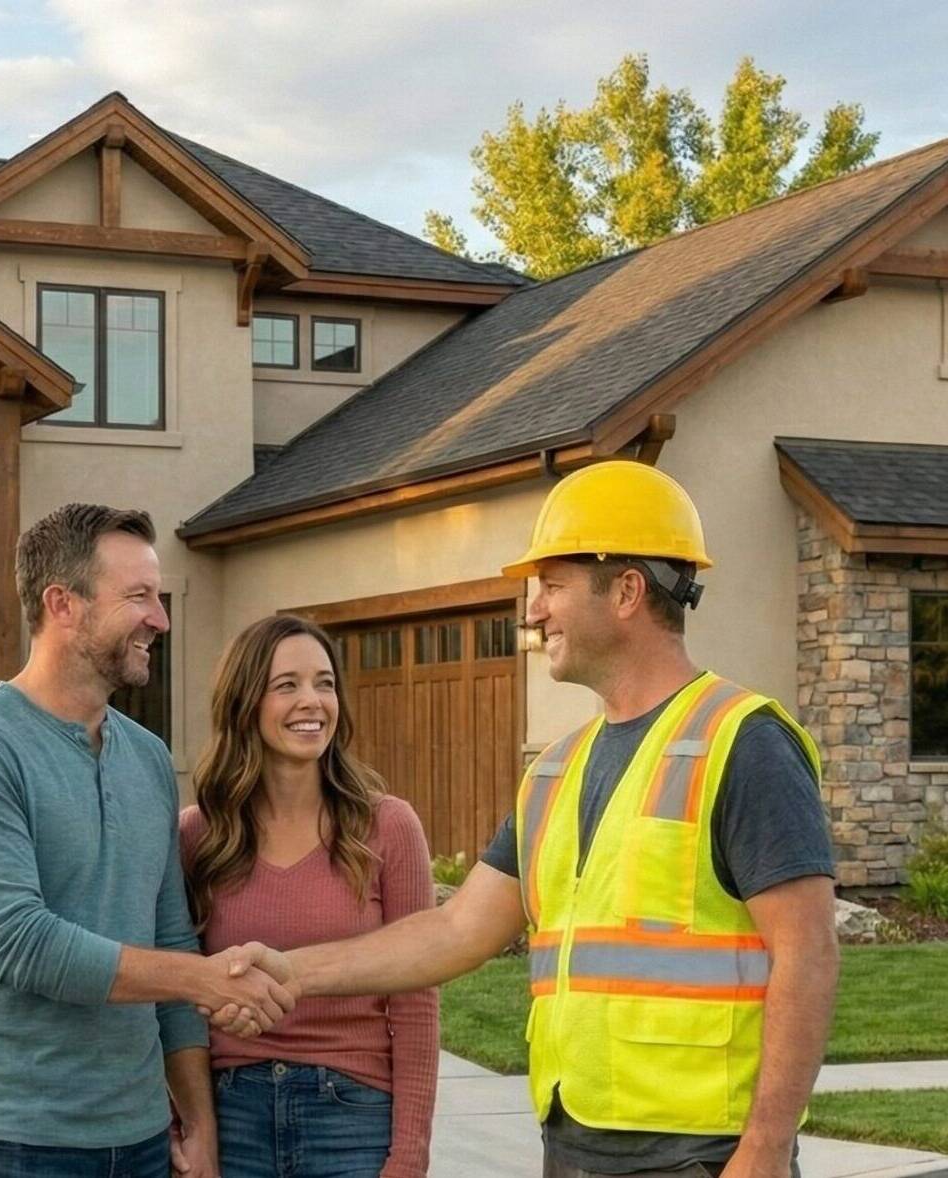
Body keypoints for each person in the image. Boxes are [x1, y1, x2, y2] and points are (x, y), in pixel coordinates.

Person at [221, 462, 839, 1178]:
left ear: (628, 591)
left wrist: (763, 1149)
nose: (533, 611)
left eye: (551, 585)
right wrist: (288, 973)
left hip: (702, 1151)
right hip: (573, 1140)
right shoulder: (556, 768)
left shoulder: (743, 742)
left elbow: (808, 954)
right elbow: (455, 931)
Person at [0, 503, 297, 1178]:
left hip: (143, 1141)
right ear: (64, 604)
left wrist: (198, 1123)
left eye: (160, 596)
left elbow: (169, 934)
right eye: (139, 597)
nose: (161, 618)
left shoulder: (145, 758)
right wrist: (206, 978)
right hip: (5, 1145)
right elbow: (21, 945)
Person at [180, 614, 438, 1178]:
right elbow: (176, 997)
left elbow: (417, 997)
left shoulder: (387, 827)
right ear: (245, 702)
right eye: (287, 685)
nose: (313, 701)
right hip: (233, 1116)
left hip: (352, 1116)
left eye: (325, 683)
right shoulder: (197, 836)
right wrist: (189, 1129)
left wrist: (410, 1152)